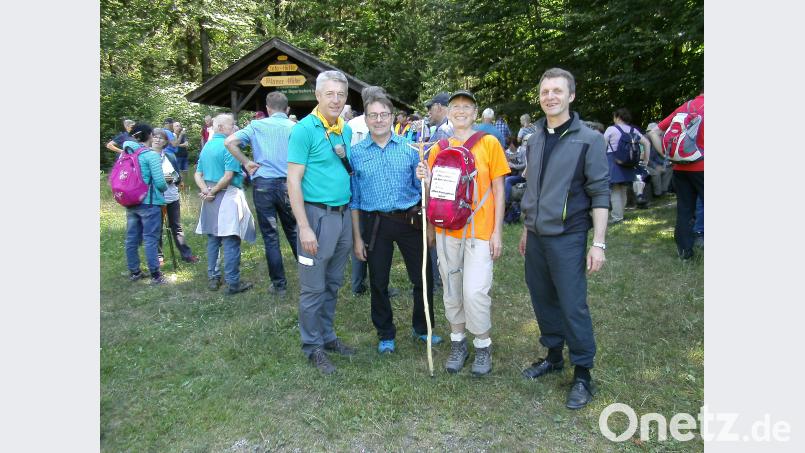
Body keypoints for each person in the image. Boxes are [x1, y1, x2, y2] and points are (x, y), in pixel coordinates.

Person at [518, 68, 610, 410]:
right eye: (545, 91)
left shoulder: (589, 139)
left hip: (568, 237)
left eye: (557, 90)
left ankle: (583, 372)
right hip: (537, 236)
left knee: (572, 303)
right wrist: (527, 229)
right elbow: (534, 189)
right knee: (542, 297)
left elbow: (600, 192)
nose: (550, 97)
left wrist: (597, 243)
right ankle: (554, 355)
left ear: (571, 95)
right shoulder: (535, 138)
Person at [416, 89, 509, 376]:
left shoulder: (489, 143)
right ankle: (459, 343)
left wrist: (497, 233)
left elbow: (498, 189)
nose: (460, 110)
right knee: (452, 290)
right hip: (447, 232)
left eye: (466, 106)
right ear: (448, 110)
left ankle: (482, 345)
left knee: (475, 292)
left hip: (479, 231)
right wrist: (425, 178)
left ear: (475, 112)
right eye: (455, 106)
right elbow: (433, 196)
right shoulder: (438, 148)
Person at [351, 88, 442, 354]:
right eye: (373, 115)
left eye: (384, 114)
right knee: (378, 281)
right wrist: (357, 237)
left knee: (422, 277)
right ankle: (385, 333)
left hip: (410, 220)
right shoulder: (356, 154)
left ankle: (422, 327)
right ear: (365, 119)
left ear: (392, 117)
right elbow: (354, 200)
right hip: (374, 222)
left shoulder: (411, 149)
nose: (378, 120)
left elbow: (423, 192)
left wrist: (430, 223)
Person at [286, 70, 357, 375]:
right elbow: (292, 181)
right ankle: (312, 346)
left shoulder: (346, 130)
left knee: (333, 282)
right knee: (313, 288)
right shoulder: (304, 130)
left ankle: (327, 336)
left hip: (342, 217)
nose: (336, 100)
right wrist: (303, 226)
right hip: (316, 216)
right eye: (330, 94)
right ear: (317, 96)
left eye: (341, 95)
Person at [225, 91, 299, 296]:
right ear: (288, 109)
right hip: (288, 185)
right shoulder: (295, 127)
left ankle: (279, 285)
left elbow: (229, 142)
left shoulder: (257, 126)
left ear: (267, 109)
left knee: (270, 236)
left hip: (263, 185)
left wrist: (246, 162)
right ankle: (309, 278)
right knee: (294, 231)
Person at [194, 113, 256, 295]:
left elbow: (198, 174)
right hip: (226, 196)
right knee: (230, 239)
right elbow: (228, 176)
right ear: (220, 127)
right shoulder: (229, 147)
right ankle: (233, 282)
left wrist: (206, 190)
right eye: (231, 125)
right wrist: (212, 192)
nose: (235, 127)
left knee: (213, 238)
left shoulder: (207, 146)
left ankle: (213, 277)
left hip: (211, 196)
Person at [647, 86, 704, 260]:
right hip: (703, 166)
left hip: (680, 168)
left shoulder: (685, 107)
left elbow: (654, 131)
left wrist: (665, 154)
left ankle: (685, 253)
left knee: (684, 209)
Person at [121, 123, 169, 284]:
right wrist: (164, 186)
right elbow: (161, 183)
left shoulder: (125, 154)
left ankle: (135, 272)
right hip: (149, 202)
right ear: (148, 136)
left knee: (132, 238)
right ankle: (156, 275)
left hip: (130, 201)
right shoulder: (150, 155)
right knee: (150, 238)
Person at [151, 128, 198, 264]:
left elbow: (177, 177)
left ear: (165, 141)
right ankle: (158, 257)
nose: (157, 139)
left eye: (161, 138)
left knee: (176, 226)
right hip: (155, 198)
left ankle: (186, 254)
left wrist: (171, 178)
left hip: (172, 196)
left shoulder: (170, 157)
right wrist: (159, 179)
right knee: (156, 227)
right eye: (155, 137)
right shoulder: (146, 157)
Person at [604, 108, 650, 224]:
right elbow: (647, 143)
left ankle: (617, 217)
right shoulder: (633, 130)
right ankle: (620, 214)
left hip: (613, 160)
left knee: (615, 190)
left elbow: (602, 145)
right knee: (623, 189)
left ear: (618, 117)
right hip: (629, 163)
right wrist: (646, 159)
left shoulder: (611, 129)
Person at [645, 122, 673, 198]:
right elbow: (646, 159)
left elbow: (662, 156)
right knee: (656, 173)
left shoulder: (660, 140)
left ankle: (664, 191)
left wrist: (665, 164)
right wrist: (656, 166)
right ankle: (657, 194)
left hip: (656, 164)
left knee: (669, 168)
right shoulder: (645, 141)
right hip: (646, 165)